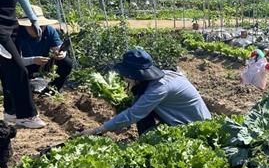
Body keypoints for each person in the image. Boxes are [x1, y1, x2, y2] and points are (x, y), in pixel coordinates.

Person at [80, 48, 211, 136]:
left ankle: (148, 144)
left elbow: (133, 114)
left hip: (195, 128)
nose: (124, 78)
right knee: (141, 108)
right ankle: (147, 140)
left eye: (126, 76)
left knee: (141, 113)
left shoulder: (158, 89)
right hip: (189, 120)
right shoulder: (165, 75)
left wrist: (99, 130)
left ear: (133, 75)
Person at [0, 0, 46, 129]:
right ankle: (27, 115)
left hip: (12, 23)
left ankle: (11, 112)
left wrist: (33, 19)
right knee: (19, 69)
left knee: (7, 71)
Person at [15, 5, 73, 93]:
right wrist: (33, 60)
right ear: (25, 25)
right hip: (23, 65)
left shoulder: (49, 30)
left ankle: (52, 90)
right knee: (14, 70)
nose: (38, 29)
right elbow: (15, 60)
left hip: (43, 62)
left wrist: (61, 53)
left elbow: (58, 47)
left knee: (66, 63)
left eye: (41, 26)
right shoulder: (17, 34)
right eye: (33, 26)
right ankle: (20, 90)